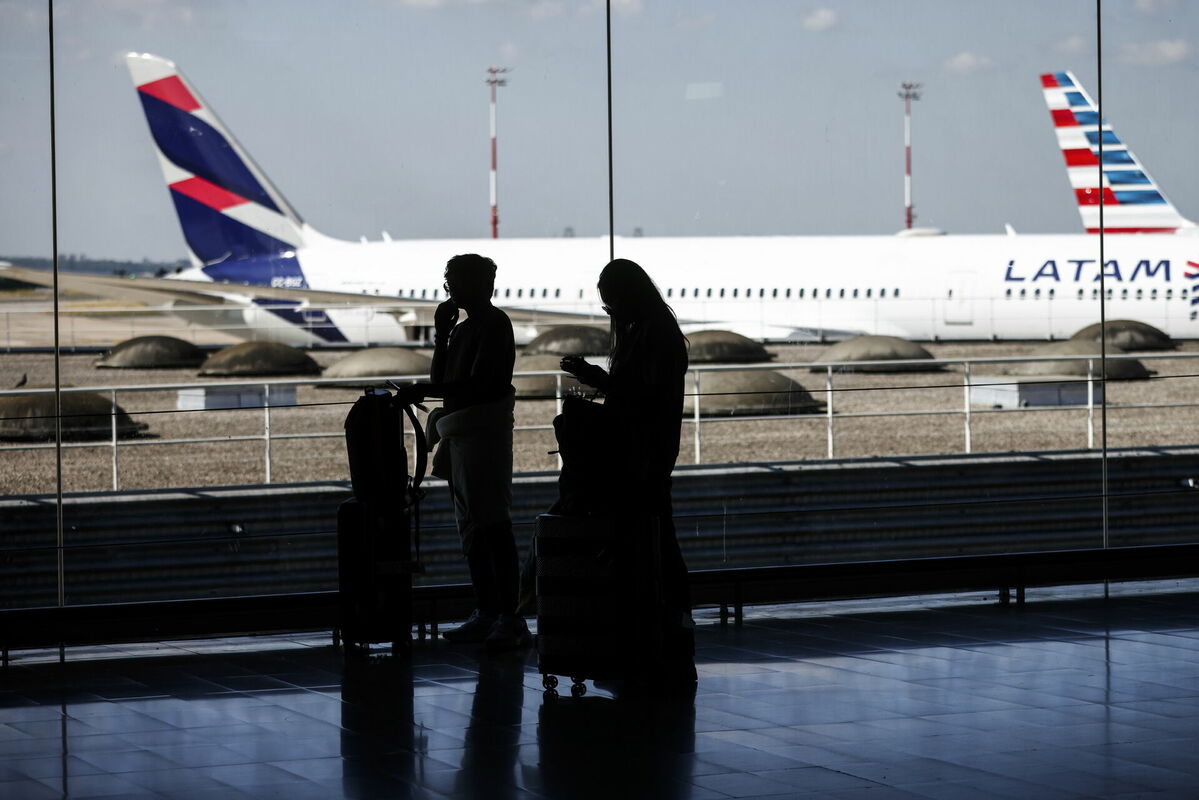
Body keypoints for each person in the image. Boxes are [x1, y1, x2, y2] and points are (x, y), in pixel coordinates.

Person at [559, 258, 696, 682]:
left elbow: (639, 399)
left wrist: (596, 378)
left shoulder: (650, 336)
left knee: (651, 536)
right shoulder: (657, 332)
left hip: (640, 454)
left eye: (612, 305)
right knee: (656, 535)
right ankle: (669, 622)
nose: (611, 314)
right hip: (650, 453)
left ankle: (665, 620)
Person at [400, 254, 529, 651]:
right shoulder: (470, 328)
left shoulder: (493, 325)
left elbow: (476, 386)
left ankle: (508, 615)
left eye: (454, 282)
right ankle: (491, 611)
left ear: (478, 285)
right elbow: (446, 382)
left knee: (490, 524)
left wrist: (422, 390)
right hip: (466, 434)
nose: (450, 290)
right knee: (475, 526)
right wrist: (441, 335)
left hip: (480, 435)